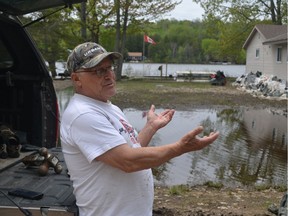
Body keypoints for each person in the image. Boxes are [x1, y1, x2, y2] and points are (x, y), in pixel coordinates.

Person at [60, 42, 219, 216]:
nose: (108, 75)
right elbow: (128, 161)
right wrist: (180, 148)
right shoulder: (82, 115)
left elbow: (132, 149)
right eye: (98, 71)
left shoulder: (108, 107)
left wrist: (150, 127)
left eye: (109, 68)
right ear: (76, 79)